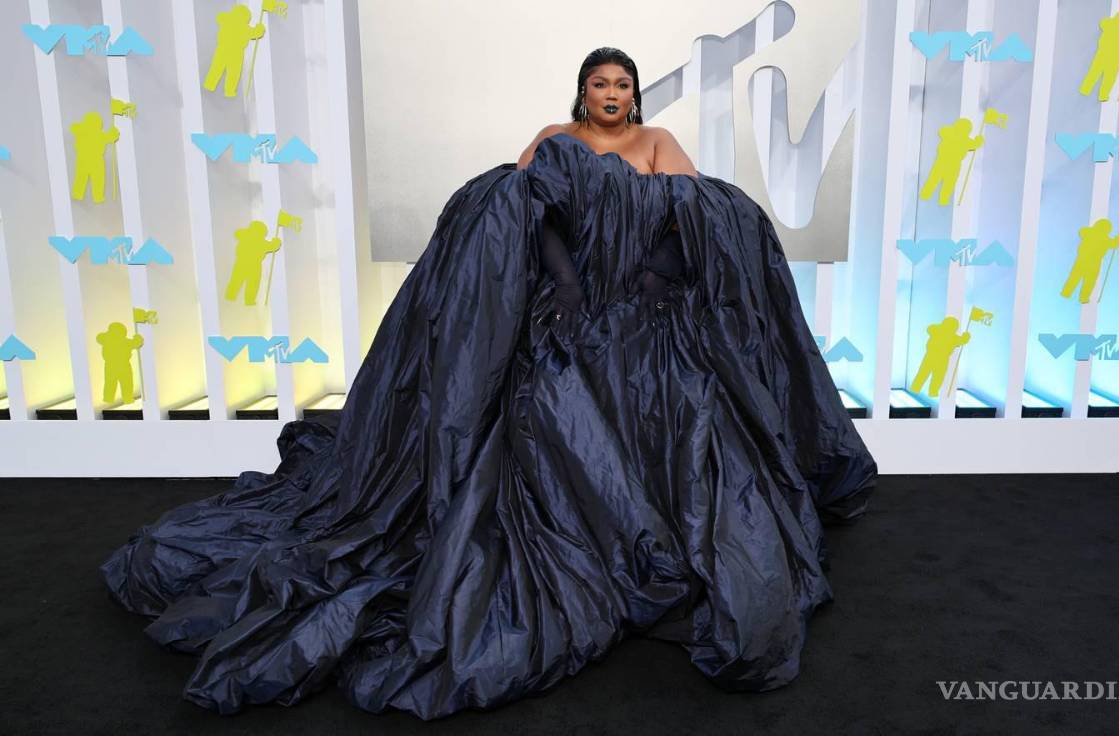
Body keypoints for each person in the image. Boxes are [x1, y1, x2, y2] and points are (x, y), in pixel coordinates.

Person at [101, 47, 877, 720]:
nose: (612, 95)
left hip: (640, 313)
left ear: (635, 95)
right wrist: (567, 279)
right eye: (601, 84)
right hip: (566, 309)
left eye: (623, 85)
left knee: (689, 417)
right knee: (537, 416)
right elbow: (516, 208)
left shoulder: (658, 142)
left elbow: (693, 214)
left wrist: (649, 265)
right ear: (582, 91)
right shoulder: (553, 139)